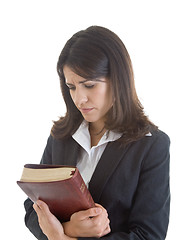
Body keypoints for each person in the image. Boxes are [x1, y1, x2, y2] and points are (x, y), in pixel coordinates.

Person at [24, 26, 170, 240]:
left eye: (89, 85)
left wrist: (62, 236)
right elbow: (32, 209)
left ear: (118, 81)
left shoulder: (151, 145)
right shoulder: (61, 136)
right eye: (71, 87)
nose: (79, 99)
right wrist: (70, 230)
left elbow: (149, 235)